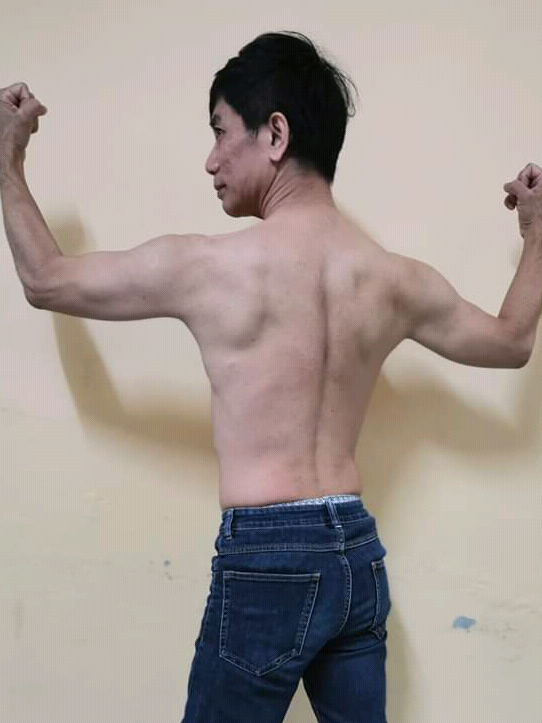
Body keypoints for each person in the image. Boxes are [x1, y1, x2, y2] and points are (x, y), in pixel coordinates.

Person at [1, 31, 541, 723]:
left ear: (275, 134)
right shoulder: (395, 279)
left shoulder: (209, 267)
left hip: (268, 557)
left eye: (220, 131)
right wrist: (537, 233)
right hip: (356, 555)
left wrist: (7, 159)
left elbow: (46, 280)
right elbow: (511, 341)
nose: (210, 159)